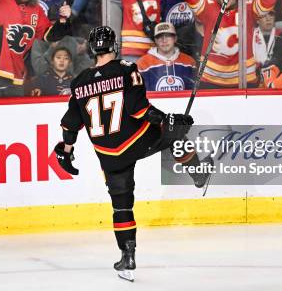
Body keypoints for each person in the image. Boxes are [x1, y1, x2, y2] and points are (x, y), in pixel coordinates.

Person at [56, 25, 206, 282]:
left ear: (92, 49)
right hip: (136, 139)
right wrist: (167, 120)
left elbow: (70, 125)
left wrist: (66, 153)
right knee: (173, 136)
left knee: (121, 206)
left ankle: (128, 257)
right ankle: (198, 171)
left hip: (109, 155)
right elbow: (139, 110)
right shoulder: (126, 69)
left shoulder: (79, 82)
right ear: (113, 46)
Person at [183, 0, 276, 88]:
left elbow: (269, 1)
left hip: (244, 79)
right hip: (210, 79)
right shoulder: (208, 7)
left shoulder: (248, 8)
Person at [136, 22, 196, 91]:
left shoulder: (189, 62)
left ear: (175, 38)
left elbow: (194, 93)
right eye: (160, 37)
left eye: (168, 36)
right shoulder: (142, 64)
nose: (164, 40)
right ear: (155, 40)